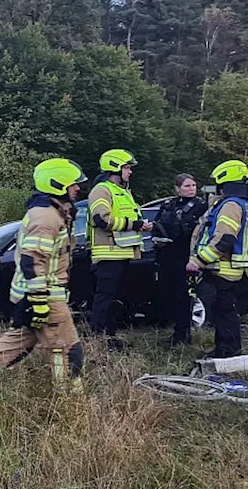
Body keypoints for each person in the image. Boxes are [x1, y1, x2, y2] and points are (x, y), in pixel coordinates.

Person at [0, 158, 87, 390]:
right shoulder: (46, 217)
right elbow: (32, 260)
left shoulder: (52, 212)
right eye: (74, 184)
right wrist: (39, 300)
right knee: (67, 350)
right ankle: (68, 402)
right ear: (58, 184)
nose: (78, 188)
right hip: (46, 296)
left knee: (15, 345)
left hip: (38, 294)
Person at [187, 160, 248, 359]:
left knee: (224, 313)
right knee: (224, 312)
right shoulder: (242, 203)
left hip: (223, 268)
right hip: (233, 267)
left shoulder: (230, 205)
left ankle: (228, 352)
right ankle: (225, 349)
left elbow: (224, 239)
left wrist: (198, 261)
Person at [86, 148, 154, 350]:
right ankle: (100, 340)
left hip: (122, 253)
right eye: (126, 168)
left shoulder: (123, 192)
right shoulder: (102, 190)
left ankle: (111, 338)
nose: (130, 172)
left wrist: (139, 224)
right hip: (108, 254)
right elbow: (101, 219)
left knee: (115, 299)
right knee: (104, 300)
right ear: (114, 168)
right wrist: (135, 225)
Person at [153, 173, 209, 346]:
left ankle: (183, 334)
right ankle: (175, 332)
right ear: (177, 188)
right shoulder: (168, 205)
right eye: (187, 186)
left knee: (183, 296)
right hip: (166, 255)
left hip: (187, 256)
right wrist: (158, 239)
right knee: (168, 293)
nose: (192, 189)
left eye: (193, 185)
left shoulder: (201, 206)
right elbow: (157, 226)